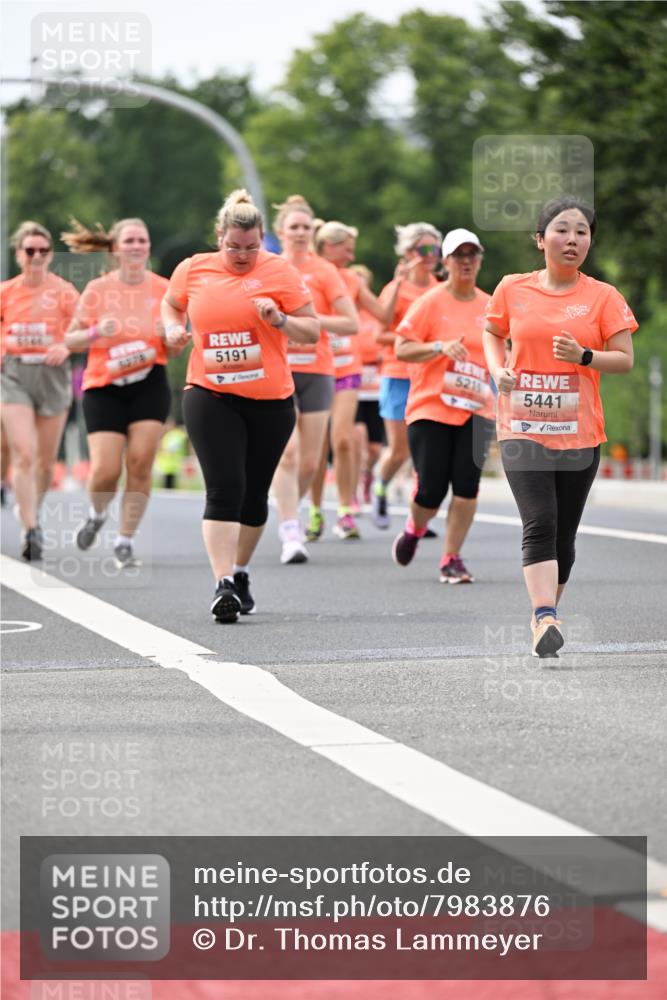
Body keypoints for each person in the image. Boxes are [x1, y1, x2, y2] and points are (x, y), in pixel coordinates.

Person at [483, 196, 636, 657]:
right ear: (540, 238)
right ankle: (545, 615)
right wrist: (497, 371)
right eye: (562, 230)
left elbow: (625, 361)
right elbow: (493, 332)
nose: (572, 239)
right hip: (522, 426)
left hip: (579, 434)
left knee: (564, 534)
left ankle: (544, 618)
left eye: (582, 232)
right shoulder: (512, 288)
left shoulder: (603, 296)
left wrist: (585, 357)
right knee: (540, 521)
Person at [161, 189, 319, 622]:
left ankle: (242, 569)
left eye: (251, 247)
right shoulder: (193, 268)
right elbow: (171, 305)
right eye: (234, 247)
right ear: (219, 238)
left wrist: (280, 320)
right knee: (224, 488)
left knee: (253, 497)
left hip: (270, 401)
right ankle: (223, 583)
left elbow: (312, 332)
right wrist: (172, 329)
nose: (243, 255)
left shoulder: (280, 271)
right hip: (209, 393)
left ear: (262, 239)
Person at [63, 217, 175, 568]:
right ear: (115, 248)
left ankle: (125, 539)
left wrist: (170, 336)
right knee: (106, 470)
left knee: (141, 462)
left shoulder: (164, 289)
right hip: (104, 385)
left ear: (149, 246)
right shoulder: (97, 289)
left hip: (149, 381)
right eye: (129, 240)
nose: (136, 246)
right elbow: (70, 339)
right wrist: (96, 331)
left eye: (142, 240)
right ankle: (97, 514)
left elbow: (174, 348)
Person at [392, 228, 495, 582]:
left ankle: (451, 557)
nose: (466, 261)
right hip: (431, 406)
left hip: (477, 408)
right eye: (459, 255)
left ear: (480, 260)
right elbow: (402, 348)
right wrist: (438, 347)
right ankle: (415, 529)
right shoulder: (430, 303)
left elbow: (505, 349)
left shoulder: (491, 306)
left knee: (467, 487)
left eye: (472, 254)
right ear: (446, 261)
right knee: (431, 490)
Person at [270, 197, 358, 561]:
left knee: (309, 464)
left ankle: (290, 506)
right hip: (279, 370)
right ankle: (290, 528)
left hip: (319, 370)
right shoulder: (269, 268)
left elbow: (350, 322)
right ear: (280, 232)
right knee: (287, 454)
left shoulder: (324, 271)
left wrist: (307, 324)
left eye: (306, 227)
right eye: (294, 227)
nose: (301, 233)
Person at [307, 221, 403, 540]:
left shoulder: (350, 279)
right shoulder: (310, 273)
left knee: (344, 440)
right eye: (346, 246)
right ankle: (317, 510)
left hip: (348, 367)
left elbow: (383, 315)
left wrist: (399, 283)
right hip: (316, 366)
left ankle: (346, 511)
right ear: (328, 246)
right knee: (318, 446)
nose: (352, 252)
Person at [1, 221, 79, 560]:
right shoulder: (6, 292)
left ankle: (30, 506)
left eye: (43, 251)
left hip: (52, 376)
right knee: (25, 453)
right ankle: (31, 528)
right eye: (30, 250)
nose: (36, 256)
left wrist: (65, 345)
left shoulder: (64, 292)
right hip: (14, 374)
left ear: (50, 255)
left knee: (45, 464)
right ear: (19, 255)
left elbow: (84, 330)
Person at [373, 222, 442, 530]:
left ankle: (419, 518)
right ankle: (380, 486)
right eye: (422, 250)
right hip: (398, 373)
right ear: (408, 252)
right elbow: (380, 331)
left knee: (424, 451)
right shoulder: (395, 287)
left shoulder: (440, 287)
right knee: (399, 450)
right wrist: (416, 344)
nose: (429, 256)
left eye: (434, 249)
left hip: (428, 375)